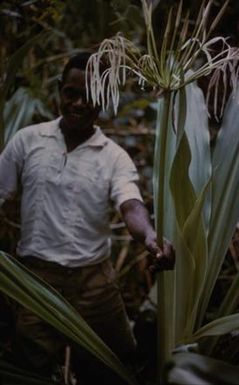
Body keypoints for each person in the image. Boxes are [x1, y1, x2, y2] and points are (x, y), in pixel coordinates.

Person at [0, 52, 175, 384]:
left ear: (104, 99)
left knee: (115, 367)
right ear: (59, 90)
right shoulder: (28, 141)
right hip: (36, 281)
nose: (79, 103)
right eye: (71, 93)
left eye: (90, 95)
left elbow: (131, 206)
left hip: (95, 286)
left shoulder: (114, 157)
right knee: (26, 371)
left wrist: (151, 238)